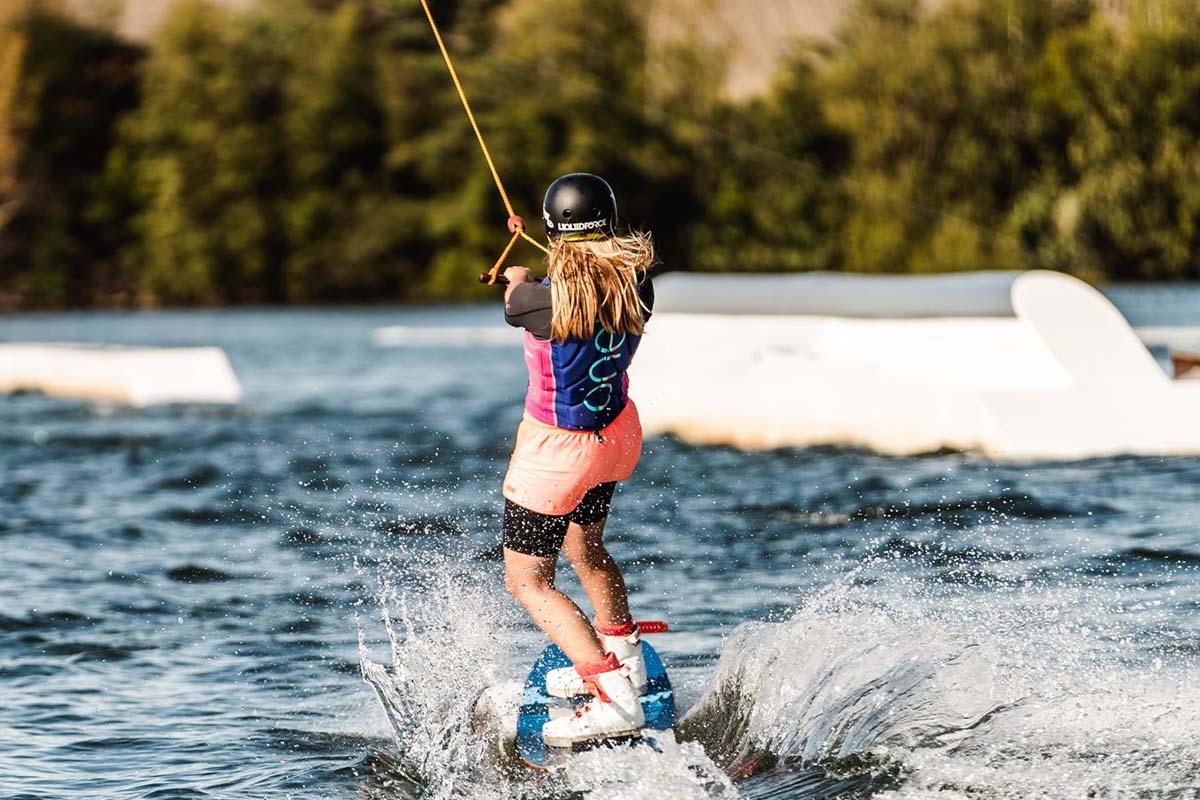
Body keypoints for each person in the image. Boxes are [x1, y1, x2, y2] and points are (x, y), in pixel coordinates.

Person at [499, 173, 656, 748]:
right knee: (584, 548)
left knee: (529, 582)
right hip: (613, 439)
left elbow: (517, 298)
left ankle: (612, 696)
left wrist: (517, 273)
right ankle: (624, 657)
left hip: (557, 455)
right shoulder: (637, 285)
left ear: (553, 231)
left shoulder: (537, 300)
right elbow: (575, 287)